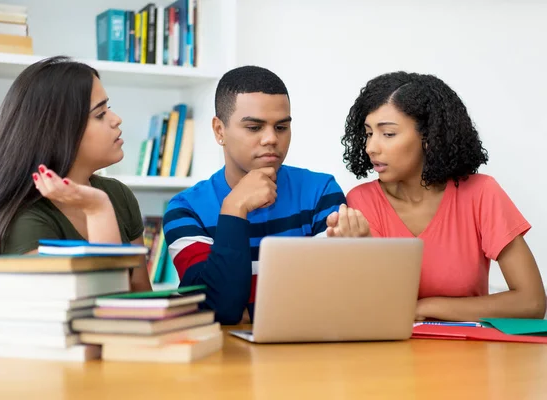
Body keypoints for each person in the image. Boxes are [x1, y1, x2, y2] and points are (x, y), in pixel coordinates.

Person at [0, 56, 152, 338]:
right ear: (59, 129)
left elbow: (144, 308)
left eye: (108, 108)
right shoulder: (25, 220)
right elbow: (103, 325)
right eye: (99, 114)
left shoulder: (118, 195)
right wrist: (98, 211)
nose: (116, 119)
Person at [329, 71, 546, 321]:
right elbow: (372, 307)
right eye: (368, 133)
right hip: (389, 355)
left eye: (388, 134)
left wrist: (424, 308)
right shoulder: (361, 202)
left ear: (429, 137)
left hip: (470, 355)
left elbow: (532, 302)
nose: (371, 147)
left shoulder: (481, 193)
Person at [162, 66, 348, 324]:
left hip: (309, 354)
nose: (271, 139)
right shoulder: (185, 209)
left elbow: (332, 298)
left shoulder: (321, 192)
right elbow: (219, 309)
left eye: (281, 127)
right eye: (254, 127)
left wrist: (250, 312)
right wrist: (234, 208)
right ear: (219, 131)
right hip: (221, 360)